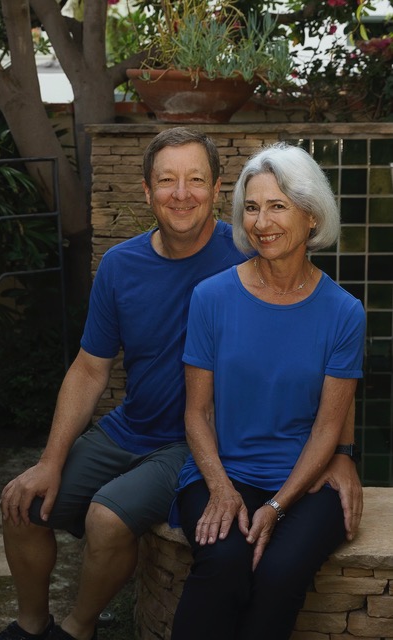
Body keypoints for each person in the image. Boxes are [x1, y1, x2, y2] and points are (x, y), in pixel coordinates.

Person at [0, 130, 362, 640]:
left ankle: (77, 630)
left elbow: (327, 357)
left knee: (107, 518)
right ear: (146, 191)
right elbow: (89, 368)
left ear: (215, 191)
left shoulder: (256, 253)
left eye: (195, 180)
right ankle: (32, 626)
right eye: (167, 181)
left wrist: (342, 450)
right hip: (133, 428)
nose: (181, 193)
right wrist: (50, 461)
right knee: (22, 505)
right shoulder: (123, 265)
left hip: (191, 444)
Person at [171, 142, 366, 640]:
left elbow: (328, 427)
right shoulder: (211, 298)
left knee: (279, 574)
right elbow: (197, 413)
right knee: (224, 563)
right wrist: (220, 488)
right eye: (252, 208)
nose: (261, 222)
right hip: (221, 469)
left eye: (278, 206)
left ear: (312, 218)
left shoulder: (344, 313)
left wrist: (278, 506)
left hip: (306, 479)